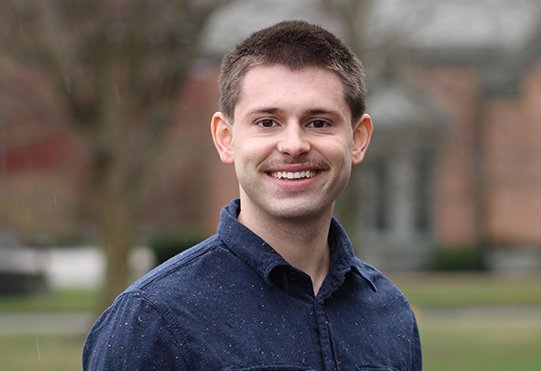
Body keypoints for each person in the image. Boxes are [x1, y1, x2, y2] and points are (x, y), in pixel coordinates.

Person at [83, 20, 422, 370]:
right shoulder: (154, 318)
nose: (293, 145)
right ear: (226, 138)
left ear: (358, 138)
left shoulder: (389, 311)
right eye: (267, 122)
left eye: (318, 122)